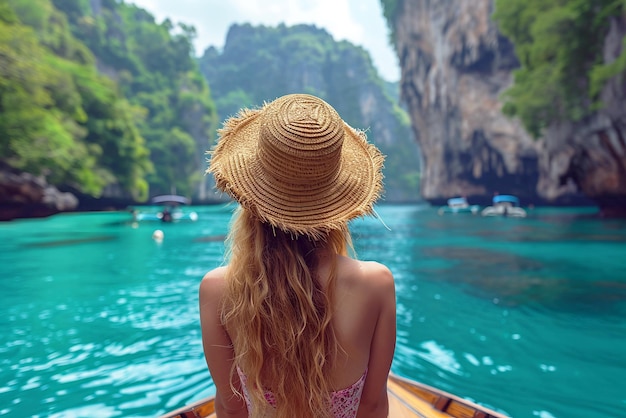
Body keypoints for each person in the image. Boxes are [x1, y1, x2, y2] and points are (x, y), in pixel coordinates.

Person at [199, 93, 396, 418]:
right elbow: (373, 407)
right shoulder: (376, 284)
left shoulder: (218, 290)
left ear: (250, 199)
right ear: (338, 204)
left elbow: (232, 409)